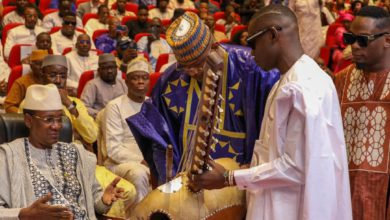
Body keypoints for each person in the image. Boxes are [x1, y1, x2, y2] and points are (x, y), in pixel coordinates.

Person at [191, 5, 352, 220]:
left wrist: (229, 178)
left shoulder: (301, 87)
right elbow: (280, 153)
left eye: (253, 43)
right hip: (277, 200)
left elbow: (296, 168)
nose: (251, 52)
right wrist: (250, 167)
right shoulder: (291, 80)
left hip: (291, 207)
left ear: (273, 35)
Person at [126, 12, 279, 183]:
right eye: (185, 66)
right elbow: (158, 136)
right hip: (190, 183)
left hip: (242, 180)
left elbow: (273, 127)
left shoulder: (251, 69)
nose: (192, 71)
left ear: (214, 46)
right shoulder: (171, 80)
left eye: (198, 63)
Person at [0, 84, 126, 220]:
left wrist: (104, 200)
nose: (57, 126)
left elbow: (95, 205)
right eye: (49, 120)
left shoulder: (75, 153)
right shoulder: (8, 156)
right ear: (29, 121)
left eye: (59, 119)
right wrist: (24, 214)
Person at [334, 6, 390, 220]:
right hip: (343, 195)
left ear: (387, 40)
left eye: (363, 40)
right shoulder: (340, 80)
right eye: (350, 38)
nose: (354, 47)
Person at [103, 59, 151, 206]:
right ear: (127, 81)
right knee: (139, 173)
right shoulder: (115, 106)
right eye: (135, 78)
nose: (140, 82)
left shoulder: (152, 104)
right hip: (120, 162)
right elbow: (113, 149)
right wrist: (141, 161)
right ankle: (141, 215)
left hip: (150, 161)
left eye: (144, 78)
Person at [81, 53, 127, 118]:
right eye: (105, 68)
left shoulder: (123, 83)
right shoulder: (92, 85)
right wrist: (103, 114)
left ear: (117, 69)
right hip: (100, 121)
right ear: (99, 71)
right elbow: (83, 107)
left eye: (112, 67)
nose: (109, 71)